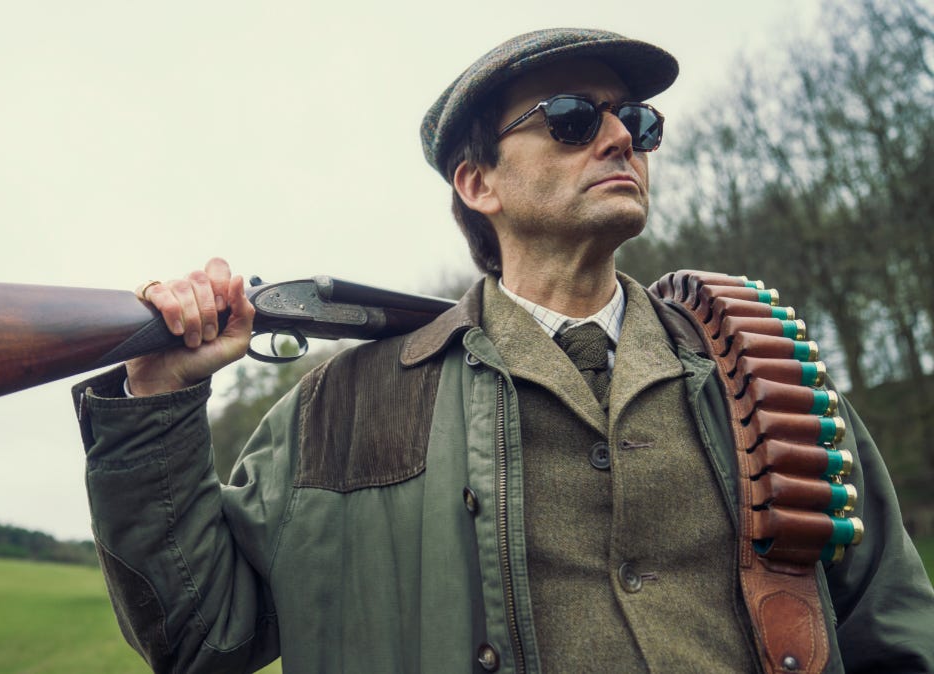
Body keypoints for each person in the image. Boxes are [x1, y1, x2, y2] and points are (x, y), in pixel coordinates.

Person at [71, 28, 934, 673]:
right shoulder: (344, 406)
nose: (620, 137)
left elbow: (893, 637)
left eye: (634, 118)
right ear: (477, 183)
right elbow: (196, 634)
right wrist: (153, 396)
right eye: (569, 119)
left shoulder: (761, 371)